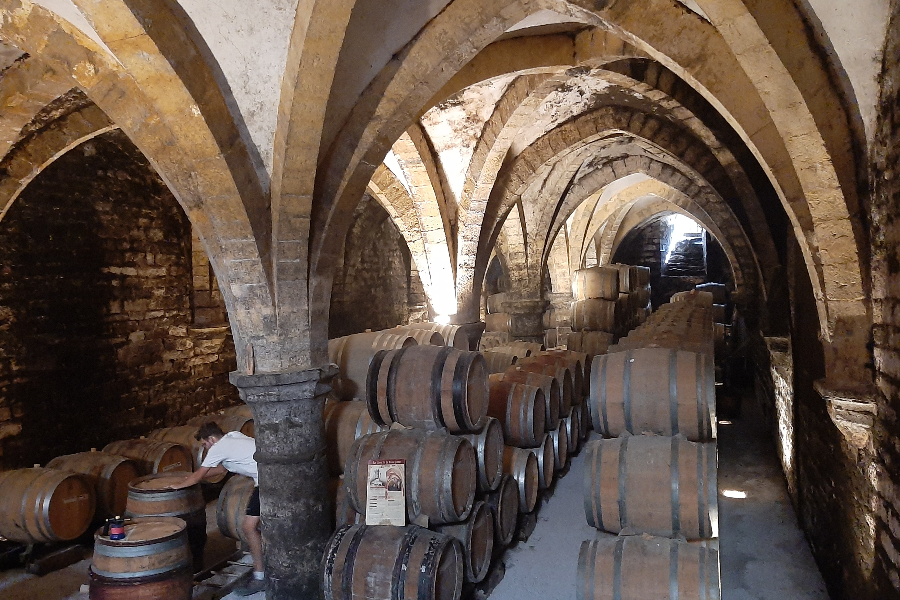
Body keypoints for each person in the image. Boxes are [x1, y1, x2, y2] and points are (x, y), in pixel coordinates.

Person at [168, 421, 264, 596]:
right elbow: (221, 469)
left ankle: (260, 576)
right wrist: (190, 475)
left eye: (205, 444)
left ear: (211, 439)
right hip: (271, 475)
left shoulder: (218, 448)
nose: (205, 448)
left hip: (267, 481)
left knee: (248, 527)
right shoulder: (234, 436)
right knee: (254, 525)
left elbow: (197, 477)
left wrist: (178, 485)